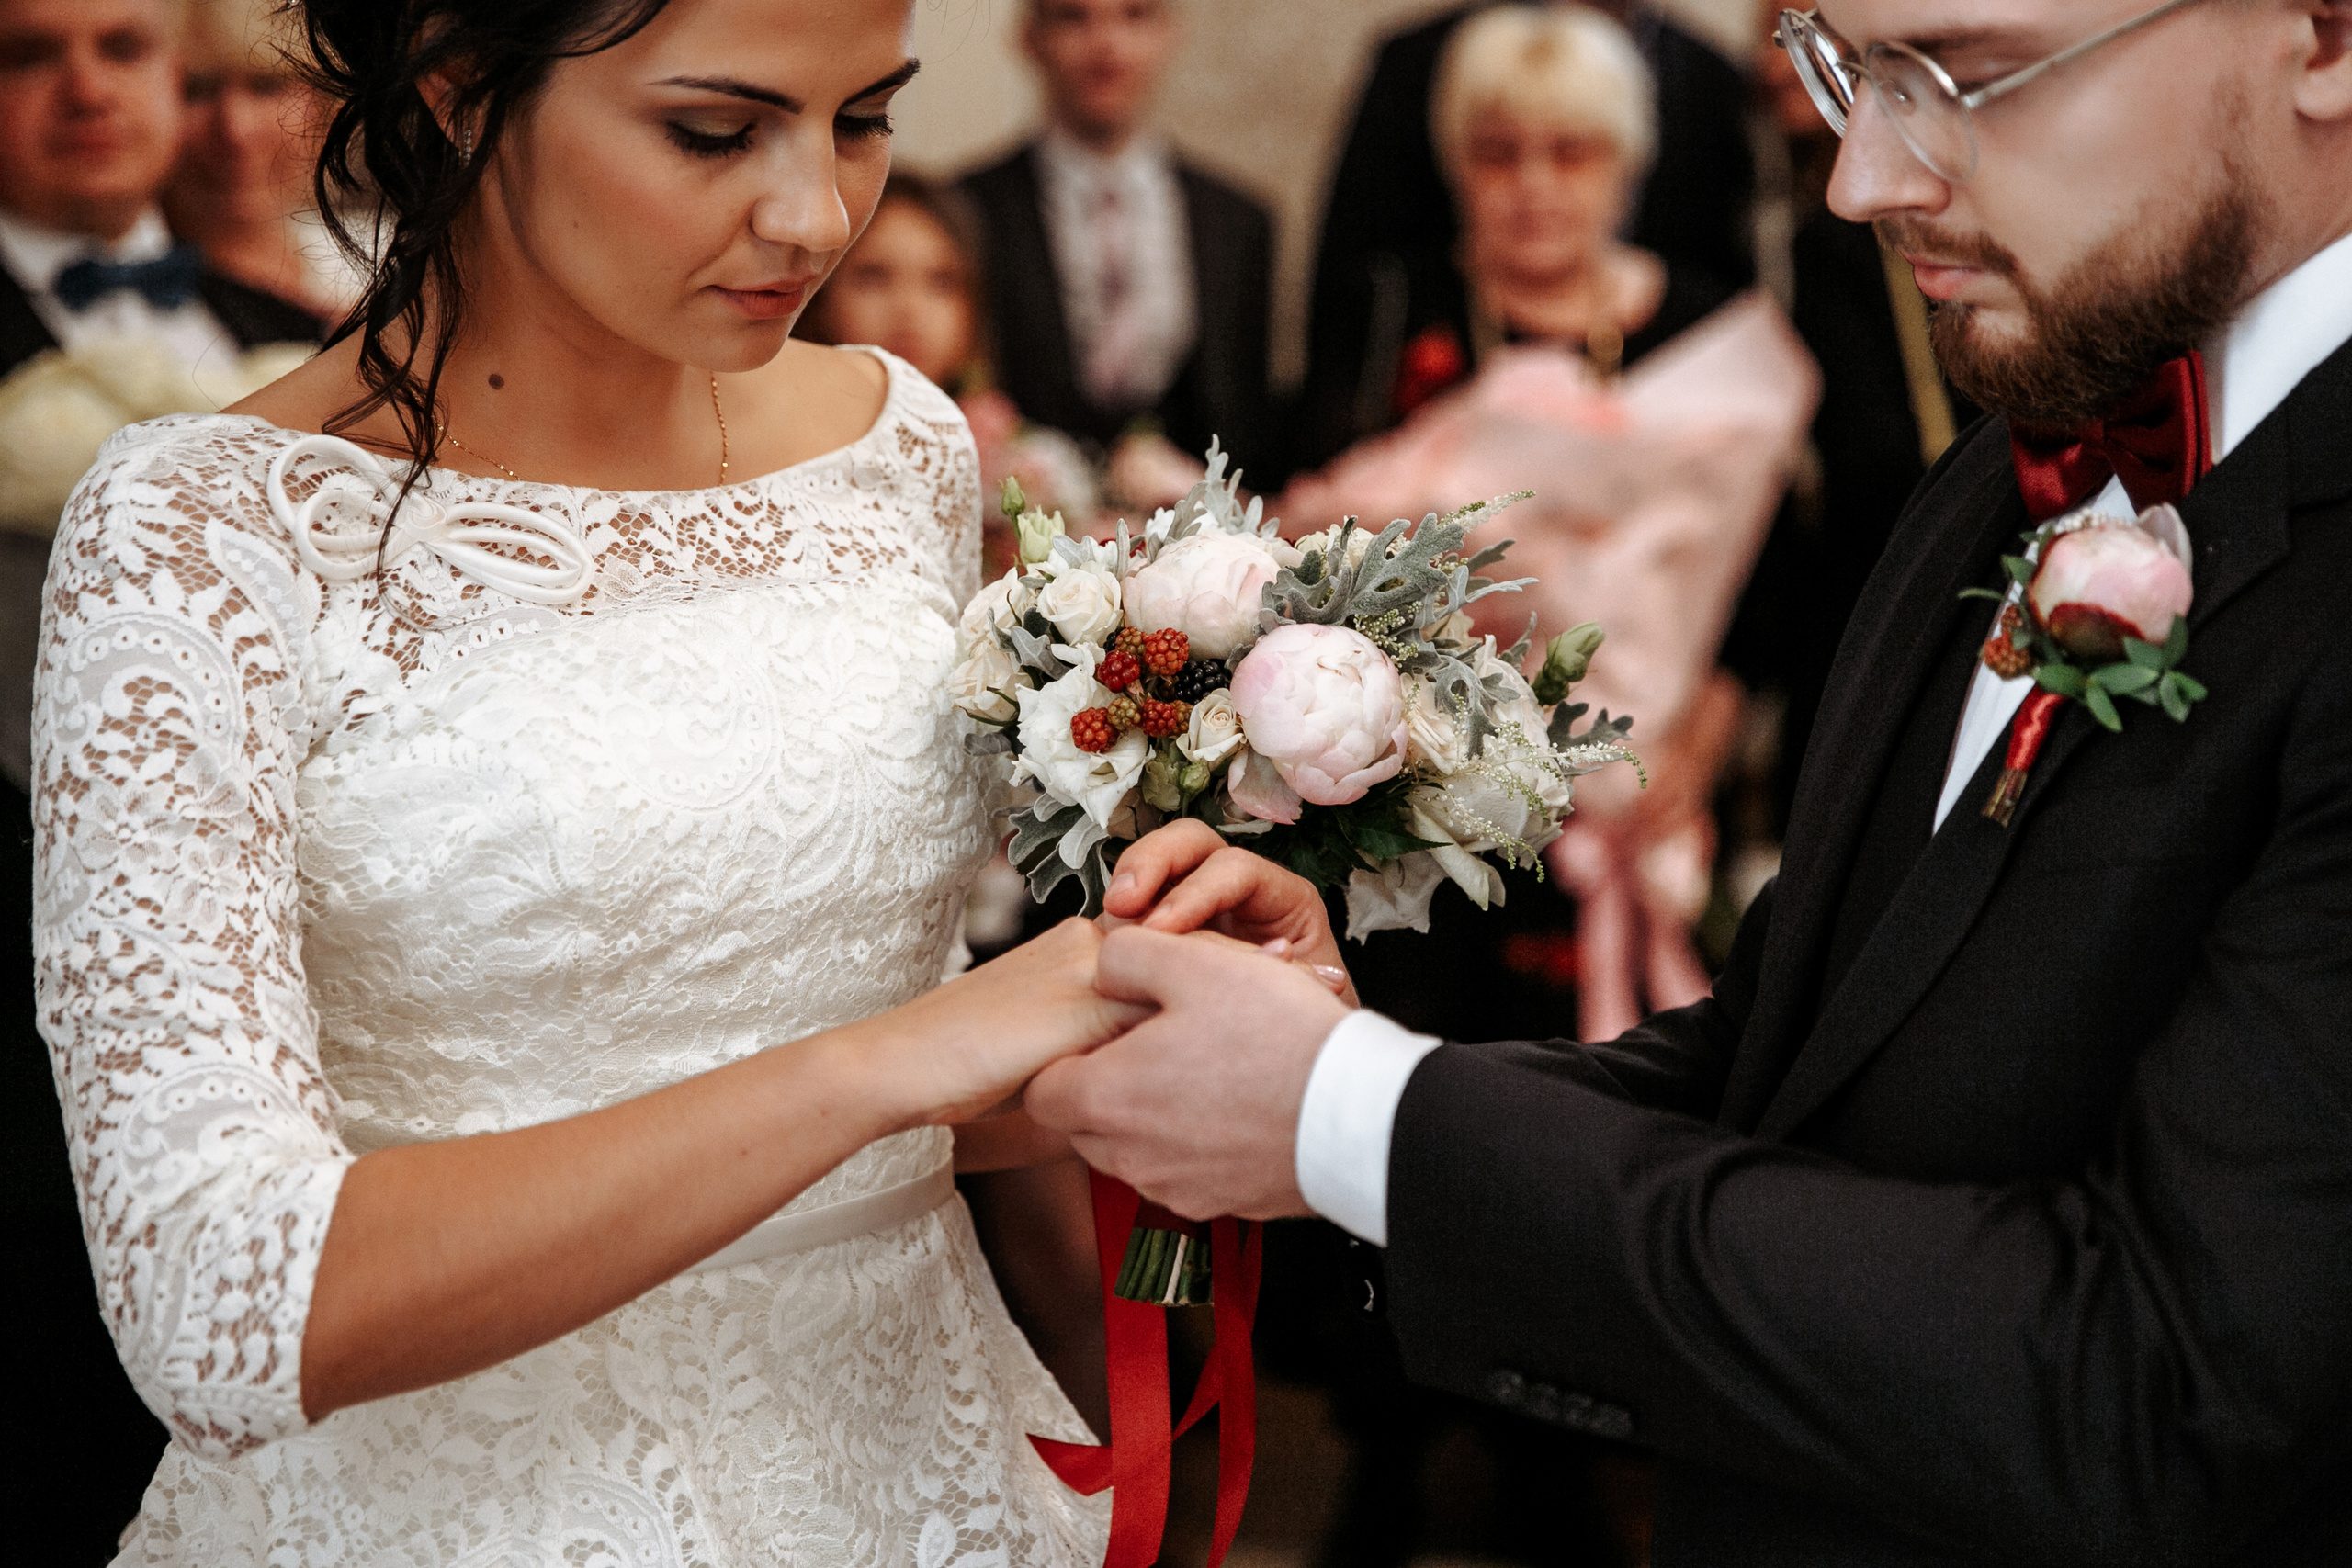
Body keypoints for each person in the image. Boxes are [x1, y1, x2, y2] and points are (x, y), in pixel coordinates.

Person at [1032, 0, 2352, 1561]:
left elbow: (2157, 1380)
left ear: (2321, 36)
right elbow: (1789, 1056)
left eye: (1967, 76)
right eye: (1847, 74)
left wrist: (1354, 1119)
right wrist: (1320, 1059)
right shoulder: (2009, 462)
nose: (1863, 179)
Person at [34, 0, 1144, 1560]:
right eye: (714, 132)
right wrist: (879, 1065)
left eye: (865, 118)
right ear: (465, 91)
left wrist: (1161, 1034)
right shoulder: (198, 534)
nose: (814, 212)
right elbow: (217, 1305)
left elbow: (884, 1076)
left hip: (918, 1474)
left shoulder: (901, 446)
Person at [0, 0, 320, 1553]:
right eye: (25, 51)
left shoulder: (291, 329)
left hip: (283, 951)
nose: (80, 87)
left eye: (121, 47)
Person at [1296, 0, 1757, 470]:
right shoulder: (1385, 312)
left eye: (1570, 153)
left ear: (1627, 162)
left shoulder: (1711, 330)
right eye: (1498, 154)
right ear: (1456, 164)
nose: (1534, 185)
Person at [957, 0, 1280, 486]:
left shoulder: (1240, 222)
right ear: (1029, 38)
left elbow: (1246, 417)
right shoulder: (967, 211)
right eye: (1073, 17)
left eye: (1136, 15)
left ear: (1169, 34)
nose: (1107, 45)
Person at [162, 0, 363, 323]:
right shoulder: (114, 293)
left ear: (325, 107)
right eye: (197, 90)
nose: (235, 130)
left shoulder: (386, 267)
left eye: (266, 87)